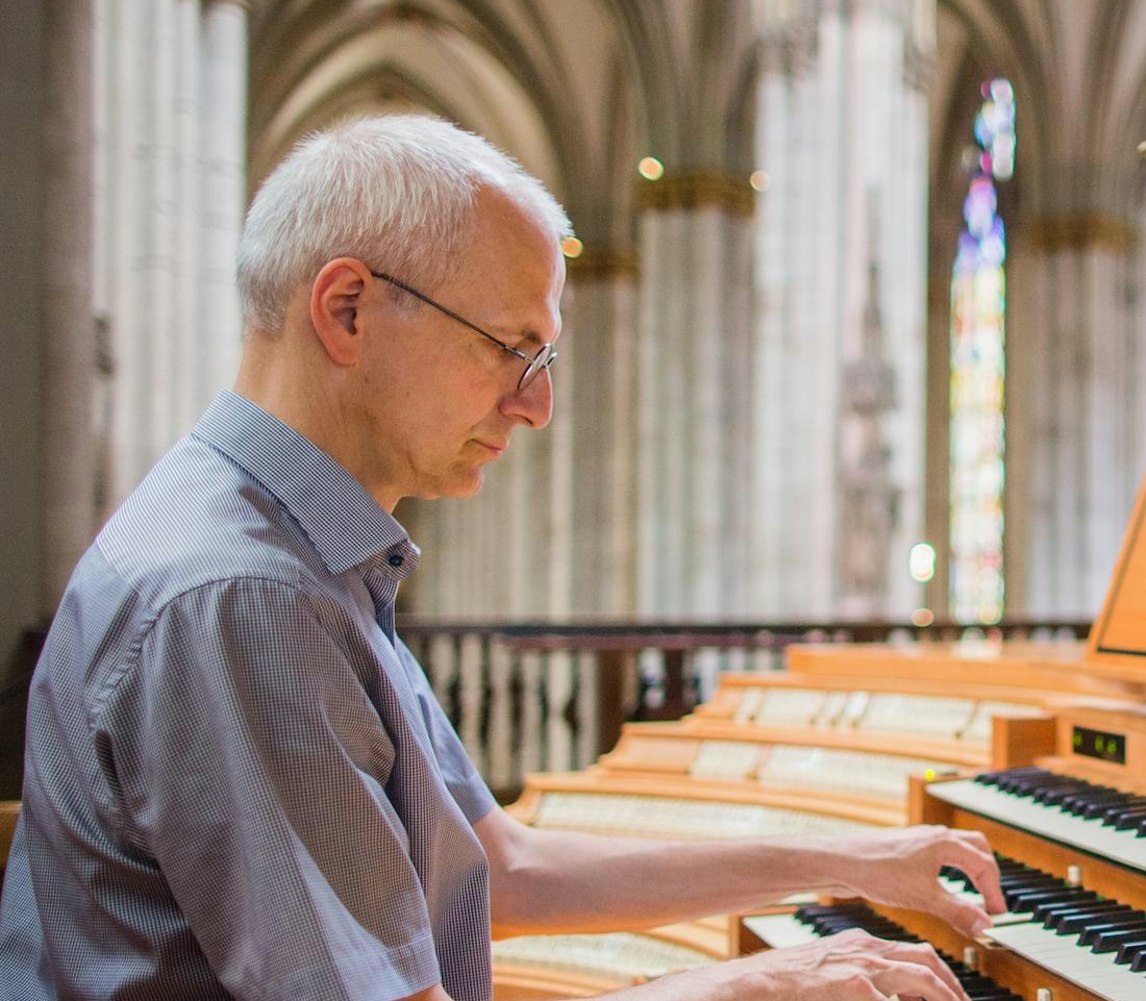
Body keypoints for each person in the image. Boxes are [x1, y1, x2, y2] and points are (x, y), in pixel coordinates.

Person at [0, 114, 1003, 1001]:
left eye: (545, 359)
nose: (536, 404)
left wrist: (851, 858)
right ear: (345, 309)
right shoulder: (241, 596)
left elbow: (499, 866)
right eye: (508, 346)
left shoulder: (308, 552)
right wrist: (749, 983)